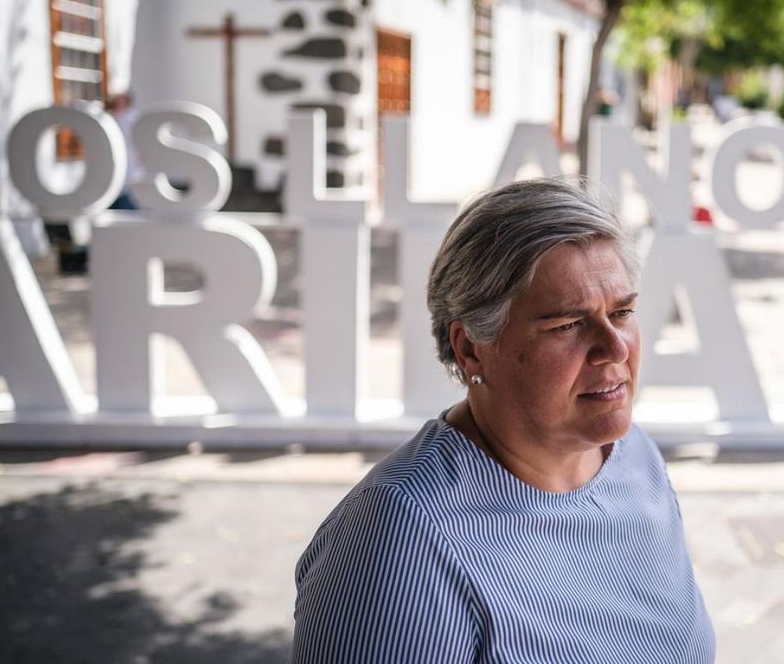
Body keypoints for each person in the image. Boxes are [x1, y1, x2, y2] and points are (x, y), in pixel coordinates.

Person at [292, 178, 715, 663]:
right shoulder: (401, 540)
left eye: (622, 313)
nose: (614, 348)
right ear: (470, 349)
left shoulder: (634, 454)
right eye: (567, 325)